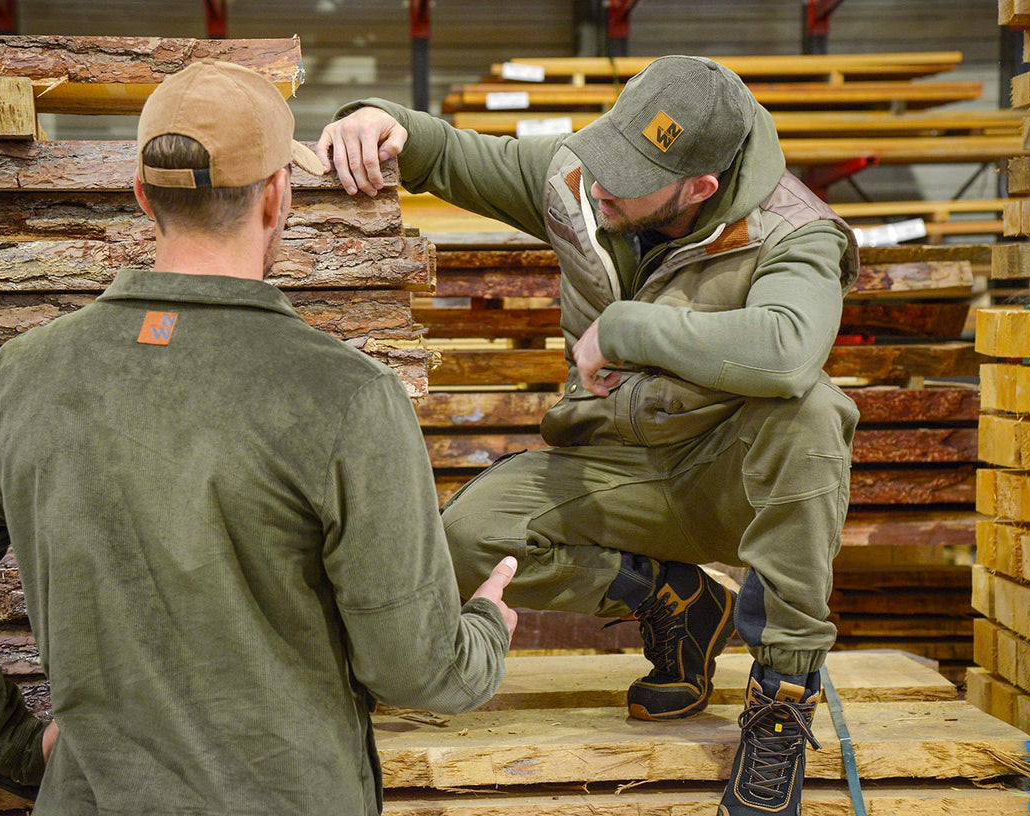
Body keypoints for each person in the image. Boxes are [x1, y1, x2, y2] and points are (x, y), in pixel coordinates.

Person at [0, 59, 519, 815]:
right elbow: (414, 669)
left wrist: (11, 743)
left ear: (142, 197)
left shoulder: (24, 376)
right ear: (277, 196)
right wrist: (486, 629)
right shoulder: (347, 397)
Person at [318, 55, 858, 816]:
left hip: (729, 474)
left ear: (697, 188)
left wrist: (626, 327)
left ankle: (781, 697)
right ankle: (671, 598)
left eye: (629, 175)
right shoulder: (580, 178)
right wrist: (384, 122)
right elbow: (447, 155)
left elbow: (789, 349)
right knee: (464, 546)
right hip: (613, 461)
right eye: (607, 153)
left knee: (812, 413)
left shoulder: (795, 232)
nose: (600, 182)